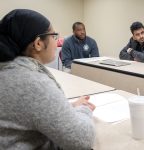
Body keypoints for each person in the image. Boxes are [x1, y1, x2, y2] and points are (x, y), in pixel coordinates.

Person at [0, 9, 95, 149]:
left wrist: (69, 107)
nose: (56, 42)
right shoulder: (32, 83)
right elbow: (82, 140)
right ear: (38, 43)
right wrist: (83, 109)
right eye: (54, 36)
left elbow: (32, 110)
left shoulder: (9, 70)